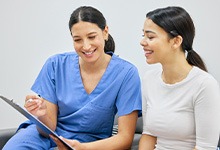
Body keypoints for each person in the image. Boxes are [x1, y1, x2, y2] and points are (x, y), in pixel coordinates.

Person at [3, 6, 142, 150]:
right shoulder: (55, 64)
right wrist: (41, 116)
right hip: (42, 137)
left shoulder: (126, 74)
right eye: (78, 39)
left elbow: (125, 139)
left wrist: (83, 148)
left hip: (89, 143)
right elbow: (47, 130)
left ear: (105, 32)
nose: (86, 46)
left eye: (92, 37)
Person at [138, 6, 220, 150]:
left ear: (176, 41)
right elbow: (149, 134)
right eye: (143, 35)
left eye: (150, 37)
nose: (143, 42)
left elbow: (205, 147)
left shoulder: (204, 85)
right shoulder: (149, 79)